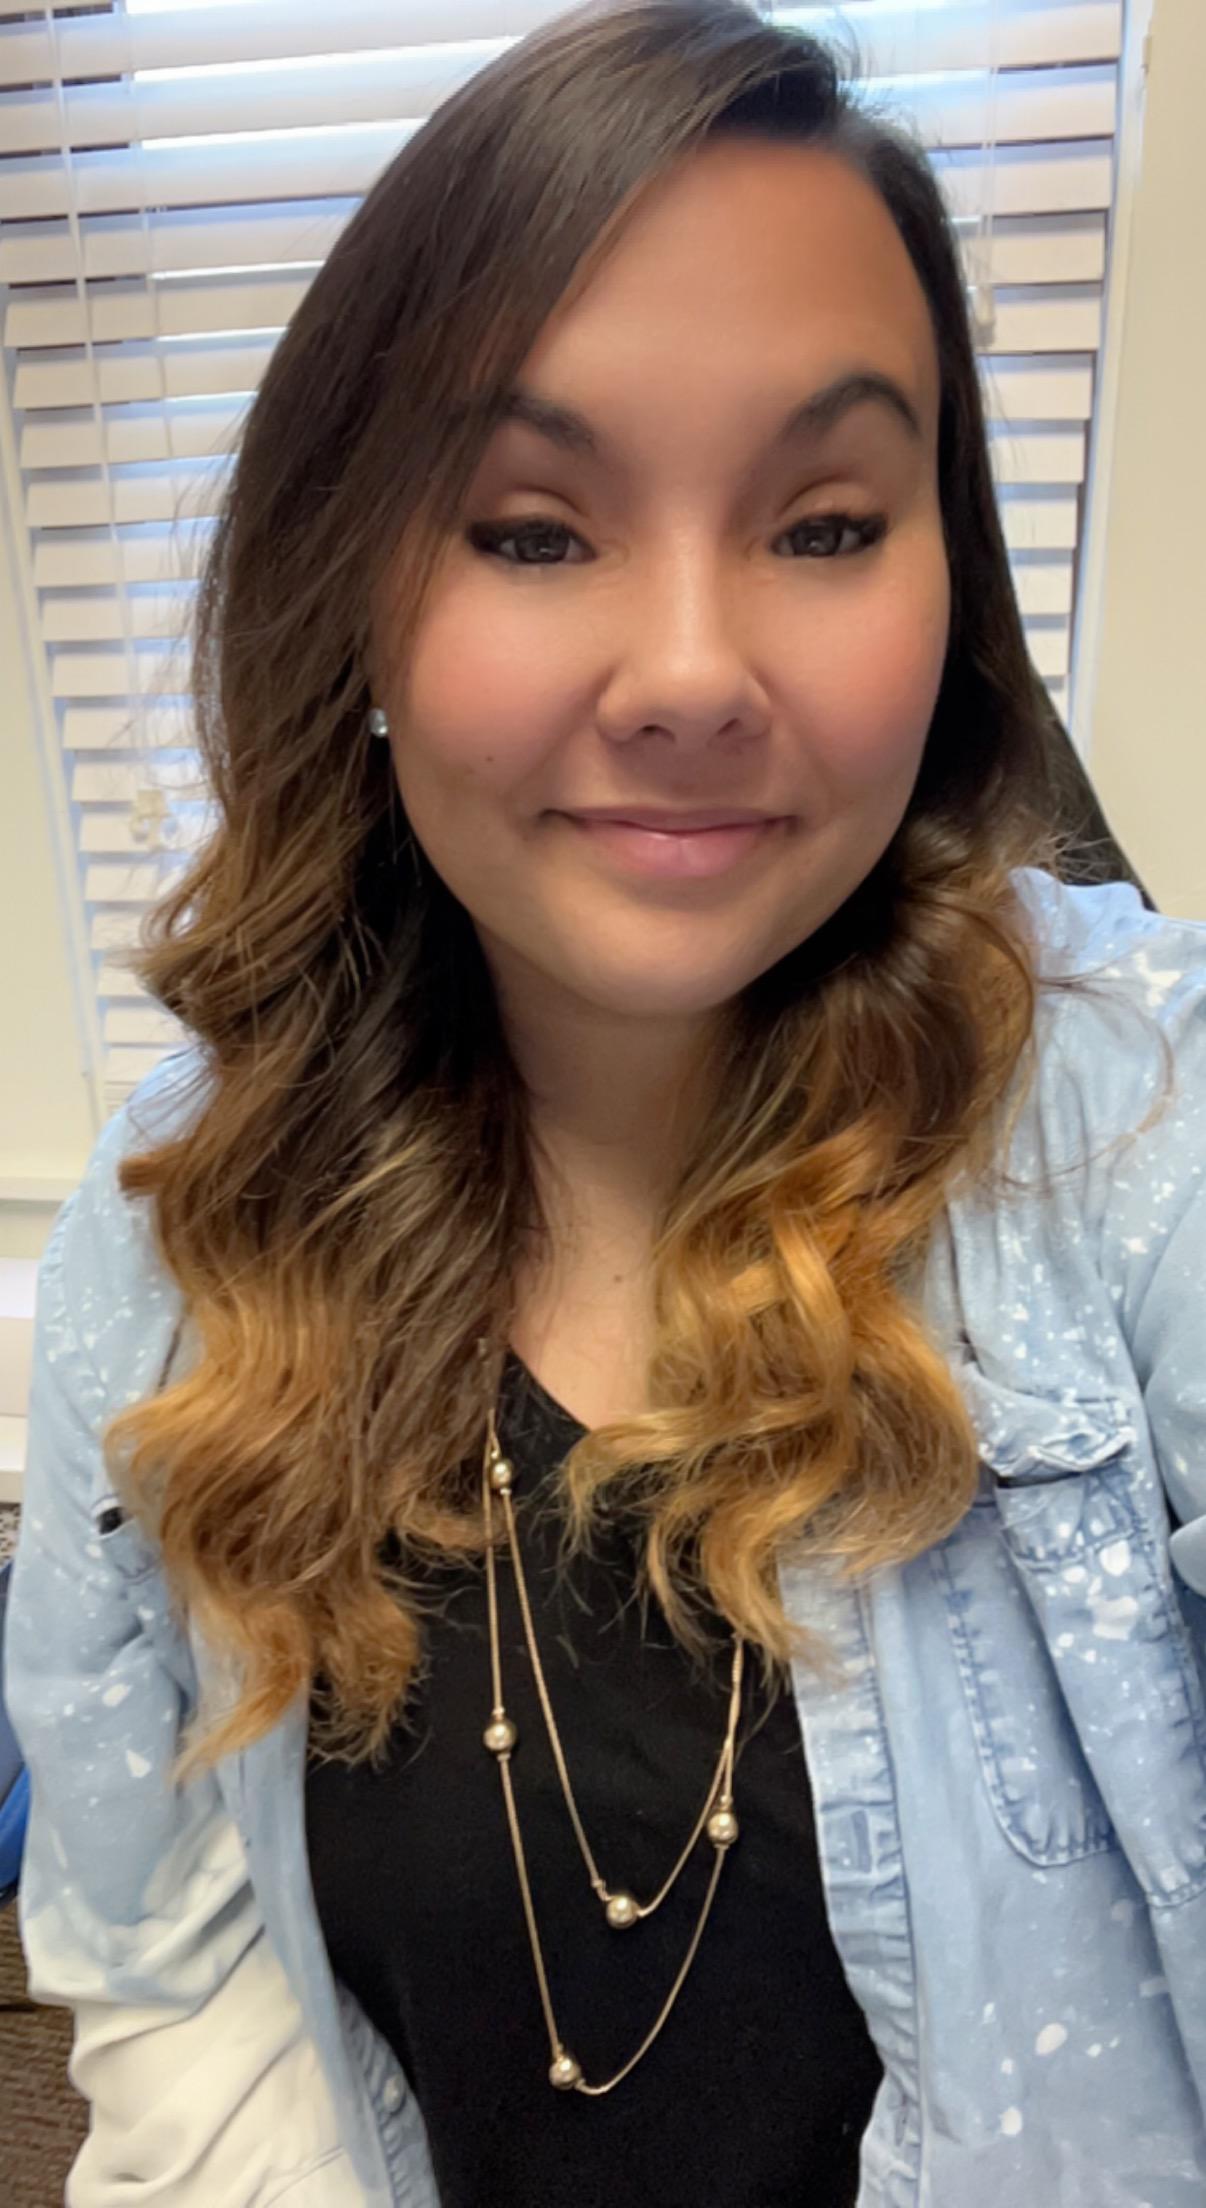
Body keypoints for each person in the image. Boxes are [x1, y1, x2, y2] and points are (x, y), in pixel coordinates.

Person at [6, 2, 1204, 2202]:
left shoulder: (1147, 1144)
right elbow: (166, 1966)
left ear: (946, 584)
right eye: (534, 532)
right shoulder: (181, 1226)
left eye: (824, 525)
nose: (688, 675)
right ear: (358, 599)